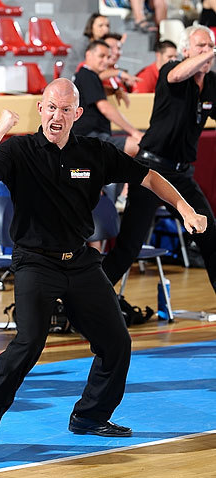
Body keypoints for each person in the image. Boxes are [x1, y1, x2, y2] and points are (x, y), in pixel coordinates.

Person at [0, 78, 206, 455]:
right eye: (50, 107)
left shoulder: (95, 152)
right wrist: (1, 132)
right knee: (28, 344)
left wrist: (187, 209)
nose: (56, 115)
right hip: (34, 262)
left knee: (116, 342)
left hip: (79, 261)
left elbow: (151, 177)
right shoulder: (19, 150)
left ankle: (90, 416)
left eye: (65, 109)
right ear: (40, 109)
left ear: (76, 114)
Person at [102, 25, 216, 294]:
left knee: (210, 236)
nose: (207, 52)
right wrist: (212, 52)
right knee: (129, 247)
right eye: (201, 46)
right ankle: (84, 306)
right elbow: (177, 74)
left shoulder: (211, 84)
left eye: (209, 45)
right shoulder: (171, 68)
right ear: (185, 50)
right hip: (150, 171)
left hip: (182, 174)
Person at [72, 40, 143, 157]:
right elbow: (105, 107)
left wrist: (114, 91)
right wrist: (134, 132)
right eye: (102, 56)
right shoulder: (86, 75)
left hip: (95, 137)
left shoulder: (87, 76)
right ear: (88, 54)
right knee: (141, 145)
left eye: (108, 57)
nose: (106, 61)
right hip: (91, 138)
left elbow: (94, 90)